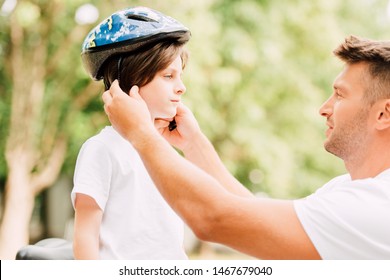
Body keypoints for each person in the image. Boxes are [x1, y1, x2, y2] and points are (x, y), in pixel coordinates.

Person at [102, 35, 390, 260]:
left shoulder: (375, 207)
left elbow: (214, 219)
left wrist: (141, 134)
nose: (324, 108)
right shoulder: (346, 192)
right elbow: (250, 215)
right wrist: (193, 144)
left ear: (383, 114)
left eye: (340, 95)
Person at [71, 6, 190, 259]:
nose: (182, 87)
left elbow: (170, 236)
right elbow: (85, 235)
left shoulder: (166, 152)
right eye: (169, 76)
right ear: (132, 81)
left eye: (180, 76)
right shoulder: (102, 149)